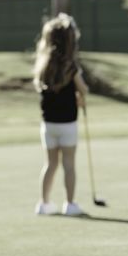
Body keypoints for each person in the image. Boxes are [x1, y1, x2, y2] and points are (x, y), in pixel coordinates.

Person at [33, 13, 89, 216]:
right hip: (67, 123)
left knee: (50, 163)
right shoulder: (71, 67)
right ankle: (70, 203)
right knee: (69, 164)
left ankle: (43, 203)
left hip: (48, 125)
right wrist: (79, 95)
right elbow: (83, 89)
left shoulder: (43, 66)